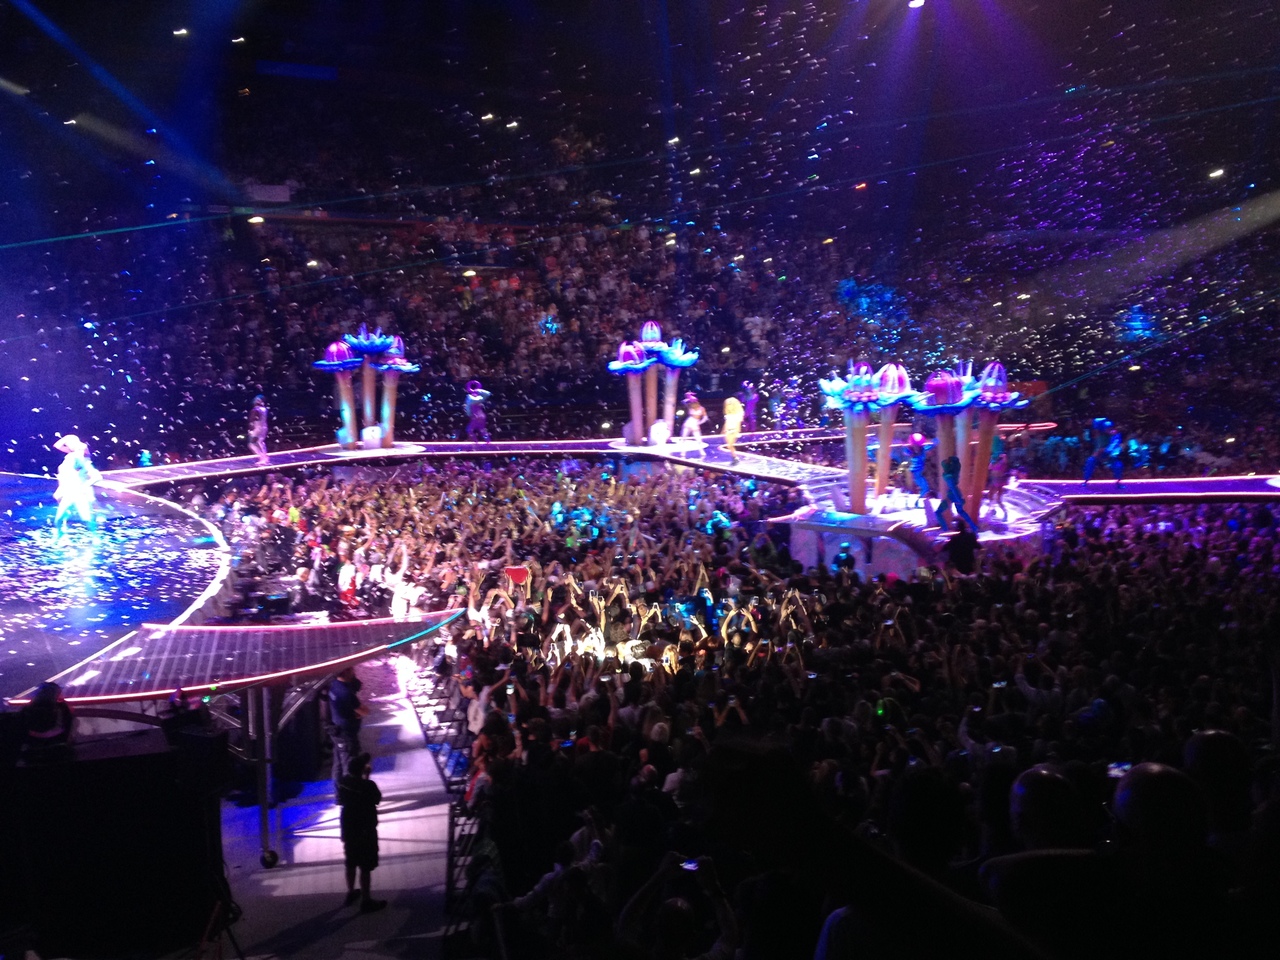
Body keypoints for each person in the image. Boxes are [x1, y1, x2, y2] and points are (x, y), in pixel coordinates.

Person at [338, 752, 386, 913]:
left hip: (349, 828)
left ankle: (351, 892)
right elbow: (376, 799)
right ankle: (366, 900)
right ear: (362, 770)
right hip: (365, 830)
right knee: (365, 866)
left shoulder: (343, 782)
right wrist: (367, 777)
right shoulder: (368, 785)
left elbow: (342, 798)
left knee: (350, 862)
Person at [52, 434, 102, 537]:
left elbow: (97, 476)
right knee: (58, 520)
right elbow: (57, 446)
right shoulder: (69, 457)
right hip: (69, 492)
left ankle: (95, 536)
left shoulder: (81, 458)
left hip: (78, 493)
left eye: (69, 443)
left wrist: (84, 486)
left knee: (87, 518)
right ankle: (60, 534)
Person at [328, 667, 367, 784]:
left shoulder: (334, 685)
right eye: (352, 670)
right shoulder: (346, 693)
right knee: (349, 766)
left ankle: (339, 792)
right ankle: (349, 793)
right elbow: (364, 711)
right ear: (345, 671)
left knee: (338, 764)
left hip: (337, 730)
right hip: (347, 734)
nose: (354, 672)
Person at [936, 454, 977, 533]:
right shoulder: (952, 473)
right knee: (960, 512)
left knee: (939, 512)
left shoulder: (949, 476)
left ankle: (945, 530)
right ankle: (974, 528)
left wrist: (959, 499)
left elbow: (953, 488)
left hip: (954, 494)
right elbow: (953, 488)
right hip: (953, 494)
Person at [907, 433, 932, 508]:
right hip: (915, 473)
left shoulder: (921, 451)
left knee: (925, 488)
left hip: (917, 473)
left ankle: (916, 502)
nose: (916, 447)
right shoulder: (912, 452)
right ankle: (915, 502)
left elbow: (931, 446)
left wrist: (936, 441)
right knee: (924, 488)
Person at [722, 396, 745, 465]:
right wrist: (724, 429)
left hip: (733, 430)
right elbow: (726, 422)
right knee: (729, 445)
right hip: (728, 430)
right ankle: (734, 458)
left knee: (730, 445)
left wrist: (736, 431)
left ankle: (735, 458)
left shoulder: (738, 414)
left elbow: (738, 424)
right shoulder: (728, 414)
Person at [248, 395, 269, 466]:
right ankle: (265, 458)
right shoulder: (264, 409)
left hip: (258, 428)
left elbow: (252, 420)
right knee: (260, 442)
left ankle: (262, 458)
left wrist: (251, 430)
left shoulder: (255, 410)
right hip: (264, 427)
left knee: (252, 444)